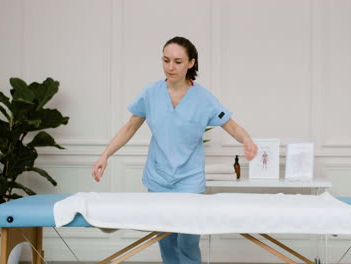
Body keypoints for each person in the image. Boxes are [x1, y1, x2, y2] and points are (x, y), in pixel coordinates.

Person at [92, 36, 258, 264]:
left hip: (189, 179)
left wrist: (247, 140)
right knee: (166, 239)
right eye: (166, 60)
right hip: (158, 177)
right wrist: (105, 154)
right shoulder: (150, 94)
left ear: (191, 63)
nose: (170, 67)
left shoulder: (203, 98)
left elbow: (230, 124)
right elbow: (130, 127)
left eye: (178, 61)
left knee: (188, 240)